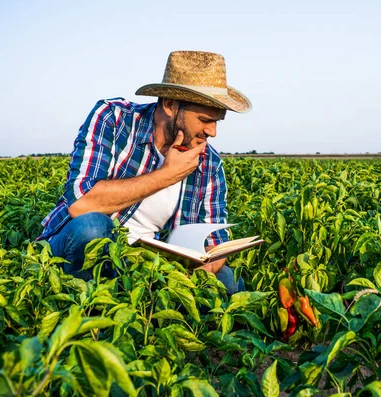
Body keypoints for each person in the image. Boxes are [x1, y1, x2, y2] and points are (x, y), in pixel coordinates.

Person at [37, 50, 251, 295]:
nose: (212, 132)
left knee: (227, 282)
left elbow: (214, 241)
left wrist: (204, 267)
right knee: (93, 228)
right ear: (170, 105)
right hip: (77, 244)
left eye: (217, 121)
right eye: (204, 119)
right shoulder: (115, 120)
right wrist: (166, 175)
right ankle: (80, 305)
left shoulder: (208, 162)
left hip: (144, 260)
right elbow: (81, 205)